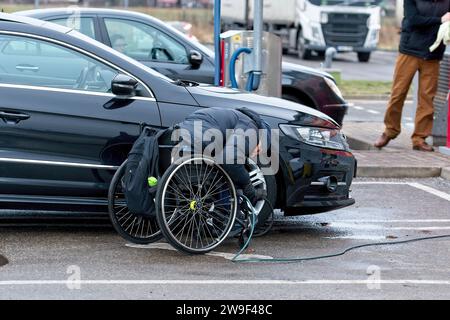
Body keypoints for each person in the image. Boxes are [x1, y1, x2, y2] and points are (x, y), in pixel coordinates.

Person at [375, 0, 450, 152]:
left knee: (427, 98)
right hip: (410, 50)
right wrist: (440, 20)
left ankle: (419, 139)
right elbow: (413, 19)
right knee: (398, 93)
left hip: (433, 53)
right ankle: (390, 130)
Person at [175, 107, 271, 205]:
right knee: (229, 164)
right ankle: (230, 215)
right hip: (201, 139)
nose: (254, 154)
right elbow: (229, 159)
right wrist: (248, 187)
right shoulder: (250, 127)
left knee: (226, 169)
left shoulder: (230, 116)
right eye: (258, 150)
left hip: (182, 135)